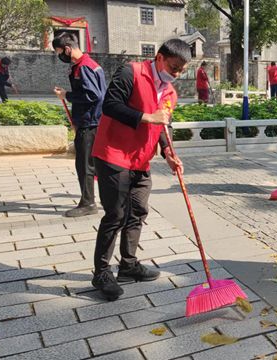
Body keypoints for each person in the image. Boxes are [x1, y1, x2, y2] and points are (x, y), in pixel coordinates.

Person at [90, 39, 188, 300]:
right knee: (115, 215)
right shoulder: (130, 72)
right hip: (114, 155)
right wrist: (147, 117)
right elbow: (109, 105)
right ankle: (101, 273)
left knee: (138, 212)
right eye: (173, 67)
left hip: (141, 160)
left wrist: (168, 152)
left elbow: (162, 127)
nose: (176, 74)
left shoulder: (169, 93)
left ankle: (128, 265)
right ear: (159, 58)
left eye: (181, 70)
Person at [52, 33, 107, 218]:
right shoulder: (88, 65)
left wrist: (66, 95)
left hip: (90, 123)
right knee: (93, 164)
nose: (60, 56)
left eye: (60, 52)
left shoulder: (83, 67)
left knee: (84, 165)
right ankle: (100, 199)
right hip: (92, 121)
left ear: (68, 49)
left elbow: (93, 95)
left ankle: (88, 203)